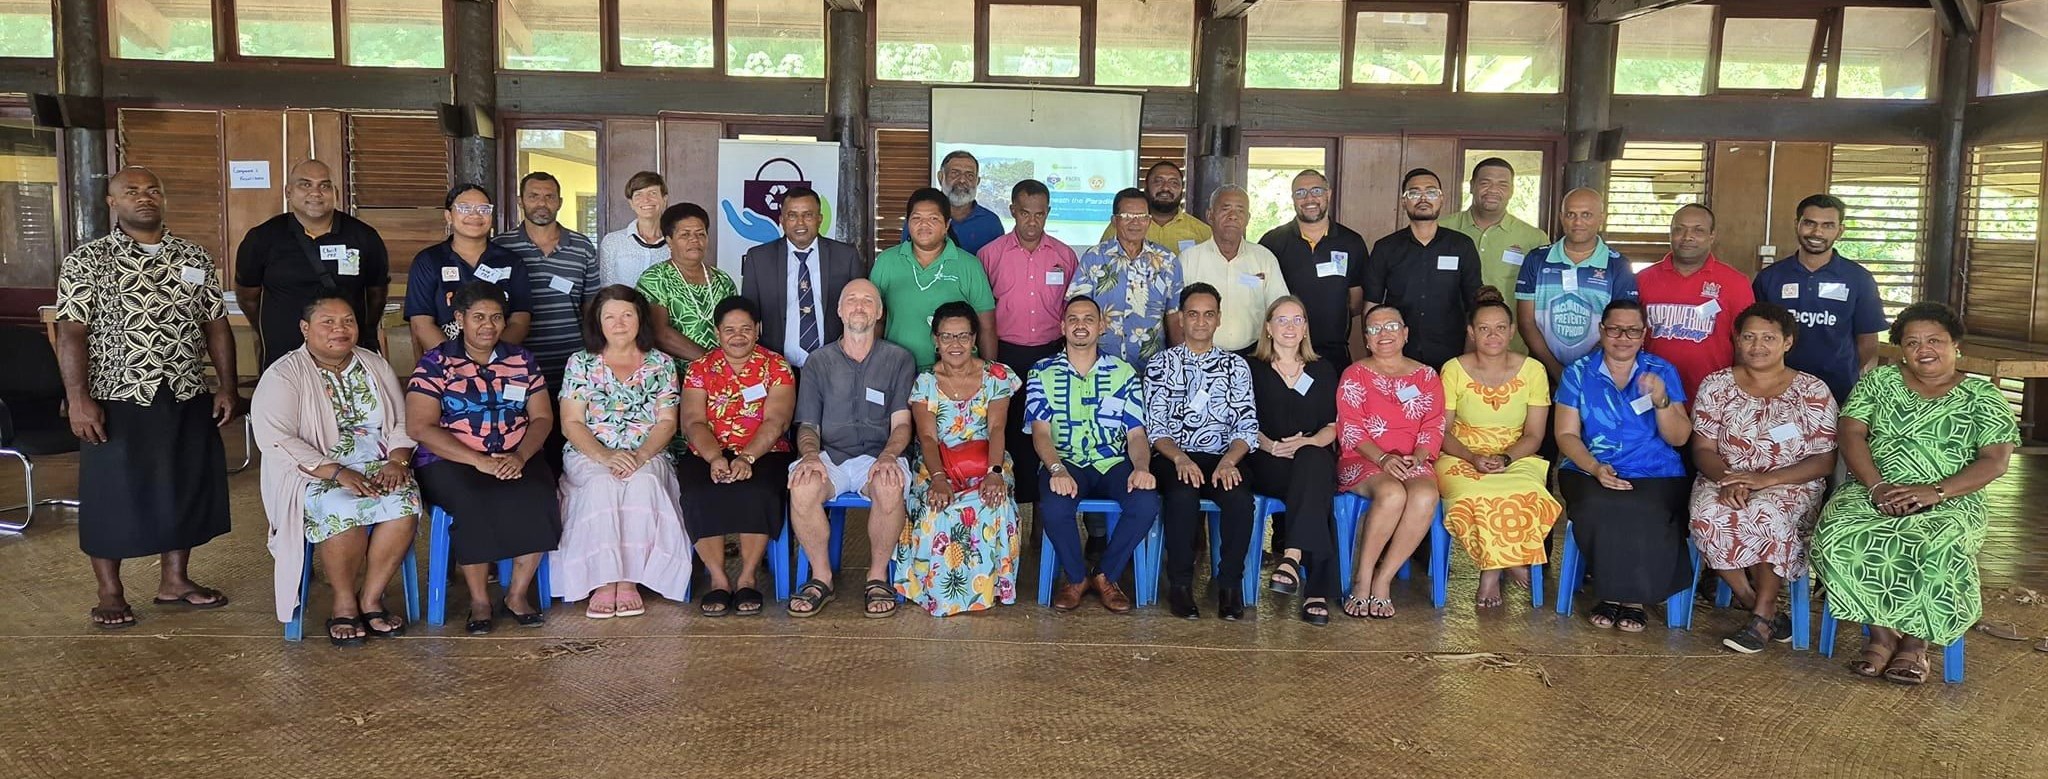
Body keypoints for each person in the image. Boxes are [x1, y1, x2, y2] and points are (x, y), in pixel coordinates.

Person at [56, 166, 236, 629]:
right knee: (111, 492)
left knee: (183, 485)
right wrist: (77, 399)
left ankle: (175, 580)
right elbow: (71, 334)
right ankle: (111, 590)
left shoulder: (193, 256)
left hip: (184, 389)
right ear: (111, 202)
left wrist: (228, 386)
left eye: (153, 189)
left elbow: (215, 325)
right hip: (116, 394)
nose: (145, 197)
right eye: (131, 191)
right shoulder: (88, 260)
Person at [1811, 302, 2017, 684]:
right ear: (1901, 349)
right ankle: (1882, 637)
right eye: (1913, 342)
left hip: (1951, 499)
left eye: (1935, 340)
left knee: (1931, 543)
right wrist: (1876, 485)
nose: (1925, 349)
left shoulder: (1983, 397)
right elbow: (1850, 433)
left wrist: (1935, 492)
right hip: (1874, 489)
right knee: (1839, 535)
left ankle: (1915, 645)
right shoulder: (1879, 383)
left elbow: (1995, 461)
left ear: (1955, 344)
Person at [251, 295, 420, 644]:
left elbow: (402, 419)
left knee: (404, 502)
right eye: (328, 322)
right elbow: (277, 438)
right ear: (305, 328)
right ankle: (343, 602)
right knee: (341, 506)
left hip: (378, 462)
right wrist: (338, 473)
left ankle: (371, 598)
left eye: (348, 321)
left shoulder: (374, 364)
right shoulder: (284, 374)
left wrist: (398, 460)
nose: (340, 329)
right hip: (314, 471)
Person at [405, 282, 561, 634]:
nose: (488, 325)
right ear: (459, 319)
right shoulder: (436, 362)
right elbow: (419, 426)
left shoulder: (521, 359)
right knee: (473, 499)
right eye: (478, 317)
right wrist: (477, 460)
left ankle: (517, 594)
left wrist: (520, 456)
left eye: (495, 317)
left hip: (515, 453)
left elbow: (542, 418)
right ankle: (479, 600)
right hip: (450, 460)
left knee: (539, 494)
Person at [1689, 302, 1838, 653]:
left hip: (1791, 484)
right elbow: (1703, 449)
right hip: (1723, 478)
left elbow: (1824, 461)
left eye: (1769, 338)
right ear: (1736, 341)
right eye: (1749, 337)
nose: (1757, 346)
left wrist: (1763, 481)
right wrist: (1729, 480)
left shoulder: (1813, 391)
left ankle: (1761, 615)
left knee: (1767, 515)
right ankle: (1757, 604)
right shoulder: (1717, 385)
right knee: (1708, 516)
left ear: (1788, 342)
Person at [550, 285, 691, 619]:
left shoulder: (661, 363)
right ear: (597, 323)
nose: (619, 323)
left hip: (649, 453)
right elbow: (571, 423)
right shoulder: (581, 364)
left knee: (643, 483)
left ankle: (628, 580)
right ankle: (602, 580)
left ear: (640, 320)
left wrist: (640, 456)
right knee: (601, 485)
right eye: (609, 316)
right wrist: (605, 456)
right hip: (590, 454)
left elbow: (667, 422)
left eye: (627, 315)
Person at [1554, 300, 1693, 633]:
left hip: (1656, 471)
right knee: (1598, 504)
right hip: (1589, 468)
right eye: (1615, 329)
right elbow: (1566, 434)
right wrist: (1595, 467)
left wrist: (1661, 400)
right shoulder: (1578, 372)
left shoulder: (1661, 370)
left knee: (1644, 506)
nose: (1623, 337)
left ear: (1644, 334)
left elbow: (1679, 437)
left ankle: (1630, 598)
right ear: (1602, 331)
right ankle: (1612, 593)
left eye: (1632, 330)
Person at [787, 279, 919, 618]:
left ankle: (876, 576)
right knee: (802, 487)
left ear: (878, 312)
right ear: (839, 310)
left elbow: (902, 423)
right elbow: (808, 426)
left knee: (890, 485)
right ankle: (821, 577)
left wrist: (889, 455)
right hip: (829, 454)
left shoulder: (899, 359)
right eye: (851, 300)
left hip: (878, 455)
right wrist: (811, 455)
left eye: (867, 301)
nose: (859, 306)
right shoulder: (818, 361)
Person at [1027, 295, 1161, 613]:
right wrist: (1057, 469)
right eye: (1073, 318)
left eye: (1089, 319)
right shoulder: (1042, 372)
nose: (1080, 325)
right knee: (1055, 506)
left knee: (1146, 502)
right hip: (1065, 460)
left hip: (1112, 460)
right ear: (1062, 326)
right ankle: (1076, 578)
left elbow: (1136, 433)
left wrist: (1141, 467)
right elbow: (1040, 433)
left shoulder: (1123, 372)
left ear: (1102, 326)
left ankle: (1105, 575)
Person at [893, 302, 1022, 617]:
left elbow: (996, 428)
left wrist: (994, 473)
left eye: (963, 336)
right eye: (947, 337)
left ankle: (990, 589)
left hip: (987, 460)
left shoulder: (996, 375)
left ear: (975, 338)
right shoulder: (925, 383)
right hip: (937, 464)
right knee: (937, 508)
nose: (956, 344)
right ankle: (939, 593)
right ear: (935, 341)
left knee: (996, 500)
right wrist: (938, 478)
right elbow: (927, 438)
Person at [1436, 289, 1561, 608]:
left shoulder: (1533, 370)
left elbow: (1534, 434)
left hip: (1516, 454)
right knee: (1472, 496)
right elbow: (1442, 430)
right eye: (1483, 328)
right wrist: (1472, 457)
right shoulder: (1453, 368)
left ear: (1512, 331)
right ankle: (1503, 564)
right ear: (1471, 332)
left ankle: (1491, 570)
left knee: (1530, 495)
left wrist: (1506, 458)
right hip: (1460, 454)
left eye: (1500, 328)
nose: (1493, 335)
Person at [1145, 283, 1260, 621]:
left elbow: (1246, 425)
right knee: (1182, 495)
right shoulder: (1160, 365)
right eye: (1192, 314)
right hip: (1174, 456)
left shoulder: (1236, 367)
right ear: (1180, 318)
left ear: (1219, 319)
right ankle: (1180, 585)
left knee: (1239, 497)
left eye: (1208, 314)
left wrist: (1229, 461)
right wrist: (1179, 457)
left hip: (1224, 456)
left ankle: (1229, 585)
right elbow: (1156, 428)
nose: (1200, 322)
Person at [677, 296, 797, 618]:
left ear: (757, 330)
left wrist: (747, 458)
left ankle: (747, 577)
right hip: (707, 450)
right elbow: (693, 422)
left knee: (757, 491)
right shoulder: (700, 369)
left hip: (764, 451)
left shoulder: (776, 366)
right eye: (729, 329)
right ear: (717, 332)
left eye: (746, 328)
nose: (738, 335)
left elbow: (777, 421)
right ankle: (718, 579)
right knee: (699, 492)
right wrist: (715, 458)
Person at [1335, 304, 1447, 619]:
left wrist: (1419, 458)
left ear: (1406, 333)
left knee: (1425, 494)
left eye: (1392, 326)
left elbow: (1434, 425)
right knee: (1392, 493)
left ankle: (1384, 579)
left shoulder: (1426, 375)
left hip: (1414, 459)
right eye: (1374, 329)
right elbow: (1351, 427)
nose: (1383, 334)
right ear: (1366, 340)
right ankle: (1363, 577)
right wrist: (1383, 458)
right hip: (1365, 459)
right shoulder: (1355, 374)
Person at [234, 159, 389, 368]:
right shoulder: (262, 238)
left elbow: (376, 295)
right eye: (305, 184)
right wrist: (271, 329)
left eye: (324, 185)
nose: (315, 193)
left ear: (335, 192)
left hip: (346, 357)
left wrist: (363, 330)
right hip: (284, 358)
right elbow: (248, 297)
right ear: (288, 192)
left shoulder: (364, 237)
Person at [979, 178, 1077, 505]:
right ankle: (1011, 516)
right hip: (1005, 355)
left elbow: (1071, 309)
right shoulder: (989, 255)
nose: (1032, 221)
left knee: (1048, 434)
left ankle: (1041, 518)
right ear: (1012, 211)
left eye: (1039, 214)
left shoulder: (1064, 256)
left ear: (1048, 213)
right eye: (1024, 213)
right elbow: (982, 313)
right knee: (1008, 435)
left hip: (1051, 355)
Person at [1246, 297, 1342, 624]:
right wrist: (1271, 446)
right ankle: (1316, 590)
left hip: (1311, 458)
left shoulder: (1323, 369)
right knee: (1316, 489)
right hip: (1266, 460)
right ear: (1269, 328)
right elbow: (1242, 421)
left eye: (1297, 320)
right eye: (1282, 320)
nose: (1290, 326)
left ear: (1305, 329)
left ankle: (1291, 557)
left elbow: (1332, 425)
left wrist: (1309, 442)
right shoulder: (1250, 368)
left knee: (1313, 463)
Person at [1751, 194, 1889, 405]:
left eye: (1828, 225)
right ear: (1797, 225)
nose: (1817, 232)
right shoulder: (1770, 277)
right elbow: (1754, 334)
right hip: (1776, 390)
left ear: (1840, 231)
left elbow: (1868, 342)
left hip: (1838, 391)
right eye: (1810, 223)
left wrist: (1841, 369)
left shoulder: (1859, 278)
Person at [1364, 168, 1482, 372]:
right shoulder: (1386, 248)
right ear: (1403, 202)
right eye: (1414, 193)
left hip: (1451, 355)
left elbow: (1475, 305)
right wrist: (1375, 356)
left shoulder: (1461, 246)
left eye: (1431, 192)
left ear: (1441, 199)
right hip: (1398, 355)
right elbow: (1372, 305)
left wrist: (1470, 356)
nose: (1423, 198)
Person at [1515, 188, 1638, 383]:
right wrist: (1556, 371)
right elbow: (1526, 323)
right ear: (1562, 217)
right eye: (1571, 214)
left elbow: (1619, 326)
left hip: (1597, 373)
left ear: (1601, 218)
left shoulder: (1618, 265)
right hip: (1542, 373)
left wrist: (1581, 371)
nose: (1578, 222)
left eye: (1586, 215)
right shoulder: (1536, 259)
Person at [871, 187, 998, 370]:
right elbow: (876, 321)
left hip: (956, 373)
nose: (924, 225)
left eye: (933, 219)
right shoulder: (887, 261)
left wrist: (989, 373)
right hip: (896, 370)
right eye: (917, 218)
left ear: (946, 225)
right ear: (908, 223)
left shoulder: (969, 265)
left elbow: (987, 326)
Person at [495, 171, 601, 390]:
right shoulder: (500, 247)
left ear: (559, 202)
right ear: (520, 201)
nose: (542, 203)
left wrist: (594, 353)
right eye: (533, 196)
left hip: (572, 361)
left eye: (549, 197)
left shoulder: (582, 247)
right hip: (515, 360)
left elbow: (591, 305)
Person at [738, 185, 864, 370]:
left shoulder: (846, 256)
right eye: (792, 216)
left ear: (820, 219)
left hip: (835, 365)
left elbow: (860, 311)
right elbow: (747, 316)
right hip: (777, 367)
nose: (800, 223)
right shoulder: (759, 258)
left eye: (808, 215)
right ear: (781, 220)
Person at [1637, 203, 1754, 398]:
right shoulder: (1643, 279)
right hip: (1652, 394)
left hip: (1713, 396)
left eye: (1698, 230)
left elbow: (1746, 342)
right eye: (1679, 229)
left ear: (1712, 236)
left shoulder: (1736, 282)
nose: (1687, 237)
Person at [404, 184, 532, 356]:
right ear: (448, 216)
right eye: (464, 208)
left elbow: (520, 321)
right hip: (446, 366)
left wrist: (492, 358)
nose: (475, 214)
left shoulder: (511, 261)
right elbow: (421, 323)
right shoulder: (429, 261)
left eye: (483, 209)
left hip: (499, 362)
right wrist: (457, 363)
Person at [1259, 169, 1369, 369]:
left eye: (1316, 191)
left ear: (1329, 194)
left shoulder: (1351, 242)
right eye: (1300, 193)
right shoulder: (1272, 242)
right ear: (1293, 199)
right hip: (1284, 350)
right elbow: (1262, 296)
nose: (1309, 198)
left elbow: (1355, 302)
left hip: (1333, 352)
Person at [1442, 157, 1551, 354]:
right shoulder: (1442, 229)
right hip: (1447, 344)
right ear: (1472, 186)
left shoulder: (1534, 238)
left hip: (1509, 350)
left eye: (1502, 184)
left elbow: (1544, 300)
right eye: (1485, 183)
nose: (1493, 190)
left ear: (1511, 190)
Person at [1071, 187, 1183, 371]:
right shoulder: (1094, 257)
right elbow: (1076, 309)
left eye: (1141, 216)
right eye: (1127, 216)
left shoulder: (1167, 260)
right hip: (1101, 364)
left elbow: (1174, 315)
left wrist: (1178, 362)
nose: (1135, 223)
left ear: (1149, 221)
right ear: (1114, 220)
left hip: (1153, 365)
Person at [1176, 185, 1291, 354]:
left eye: (1240, 211)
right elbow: (1176, 313)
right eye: (1225, 209)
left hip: (1254, 354)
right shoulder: (1188, 259)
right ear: (1210, 216)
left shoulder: (1264, 259)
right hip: (1200, 353)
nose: (1233, 216)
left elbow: (1281, 309)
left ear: (1248, 219)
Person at [638, 202, 738, 362]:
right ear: (669, 240)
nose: (694, 240)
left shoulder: (723, 280)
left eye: (700, 234)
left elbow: (736, 325)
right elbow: (659, 332)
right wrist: (710, 363)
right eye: (685, 235)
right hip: (674, 375)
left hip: (724, 372)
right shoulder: (655, 278)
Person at [899, 150, 1006, 254]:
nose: (962, 180)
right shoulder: (919, 219)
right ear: (941, 177)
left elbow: (996, 267)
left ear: (977, 182)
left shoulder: (991, 223)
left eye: (970, 175)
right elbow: (906, 259)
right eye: (955, 173)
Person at [1099, 160, 1212, 254]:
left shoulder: (1202, 232)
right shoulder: (1121, 226)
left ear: (1182, 189)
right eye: (1158, 181)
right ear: (1146, 186)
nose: (1166, 188)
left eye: (1174, 183)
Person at [598, 171, 671, 288]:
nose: (646, 200)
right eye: (638, 195)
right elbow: (606, 288)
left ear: (664, 199)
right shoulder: (612, 241)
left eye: (652, 193)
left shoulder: (676, 242)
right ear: (631, 203)